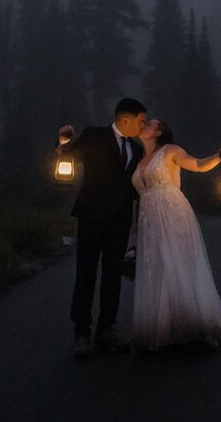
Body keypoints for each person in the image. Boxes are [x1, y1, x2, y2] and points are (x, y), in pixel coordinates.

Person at [131, 118, 221, 351]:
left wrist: (218, 156)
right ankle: (165, 326)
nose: (143, 125)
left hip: (172, 212)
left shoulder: (170, 151)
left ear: (159, 132)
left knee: (177, 262)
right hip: (149, 218)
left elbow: (197, 165)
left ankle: (191, 322)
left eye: (149, 123)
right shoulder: (139, 161)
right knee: (157, 266)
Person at [57, 98, 147, 359]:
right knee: (86, 272)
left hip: (120, 220)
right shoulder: (94, 135)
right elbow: (70, 153)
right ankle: (82, 332)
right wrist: (62, 141)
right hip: (92, 216)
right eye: (140, 121)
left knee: (113, 274)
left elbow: (134, 186)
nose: (142, 126)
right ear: (125, 119)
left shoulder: (137, 149)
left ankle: (106, 329)